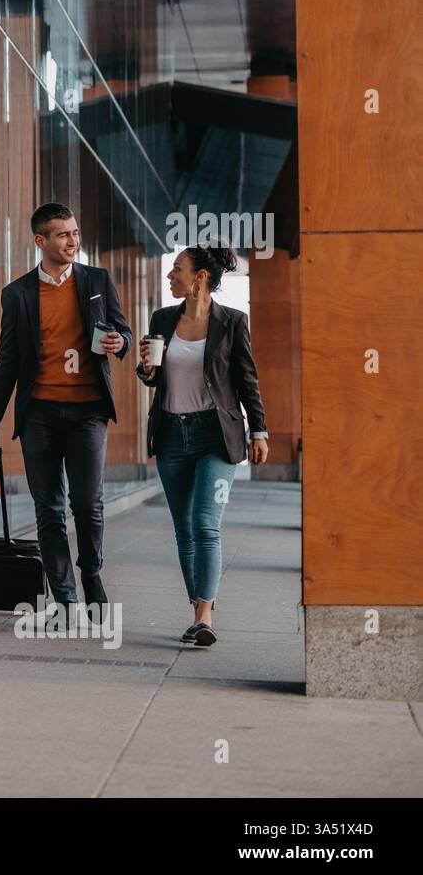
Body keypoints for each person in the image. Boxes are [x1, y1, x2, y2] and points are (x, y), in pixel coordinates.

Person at [0, 203, 132, 621]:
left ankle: (91, 572)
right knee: (49, 507)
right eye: (63, 235)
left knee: (88, 503)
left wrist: (122, 342)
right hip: (40, 414)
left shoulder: (97, 281)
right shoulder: (19, 294)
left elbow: (123, 329)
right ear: (41, 241)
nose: (73, 241)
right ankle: (66, 597)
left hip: (88, 413)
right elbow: (8, 361)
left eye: (75, 233)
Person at [137, 243, 267, 648]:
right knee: (183, 530)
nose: (170, 275)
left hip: (217, 435)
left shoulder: (232, 322)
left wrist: (258, 430)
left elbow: (248, 380)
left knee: (205, 524)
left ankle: (204, 615)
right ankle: (197, 607)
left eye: (177, 269)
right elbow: (153, 378)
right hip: (172, 433)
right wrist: (146, 368)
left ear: (200, 277)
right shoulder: (161, 319)